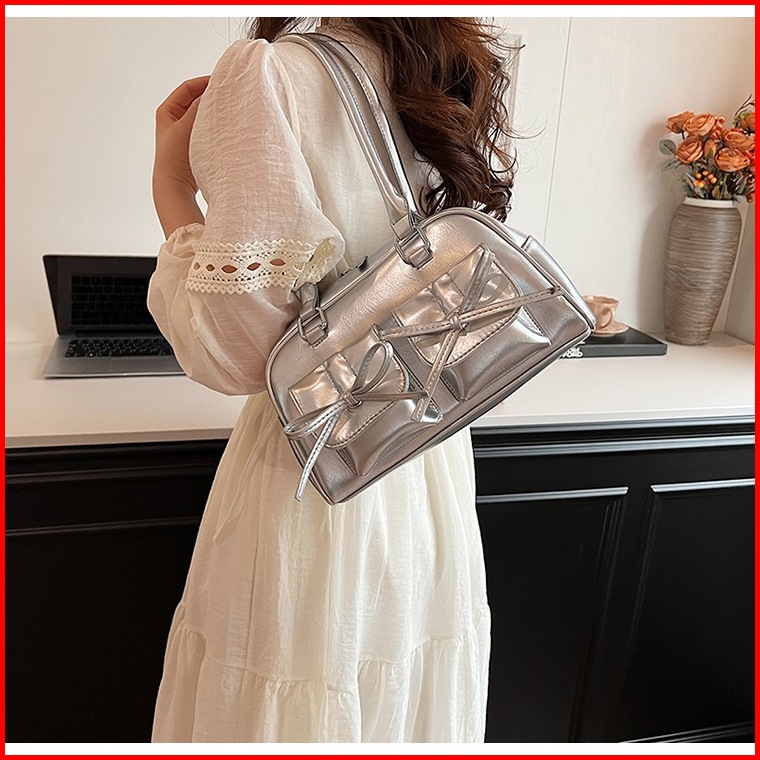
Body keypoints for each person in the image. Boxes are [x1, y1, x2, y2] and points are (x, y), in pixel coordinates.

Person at [148, 17, 515, 743]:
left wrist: (170, 185)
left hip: (313, 463)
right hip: (420, 450)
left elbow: (240, 352)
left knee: (299, 694)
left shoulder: (267, 75)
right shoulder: (444, 65)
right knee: (395, 695)